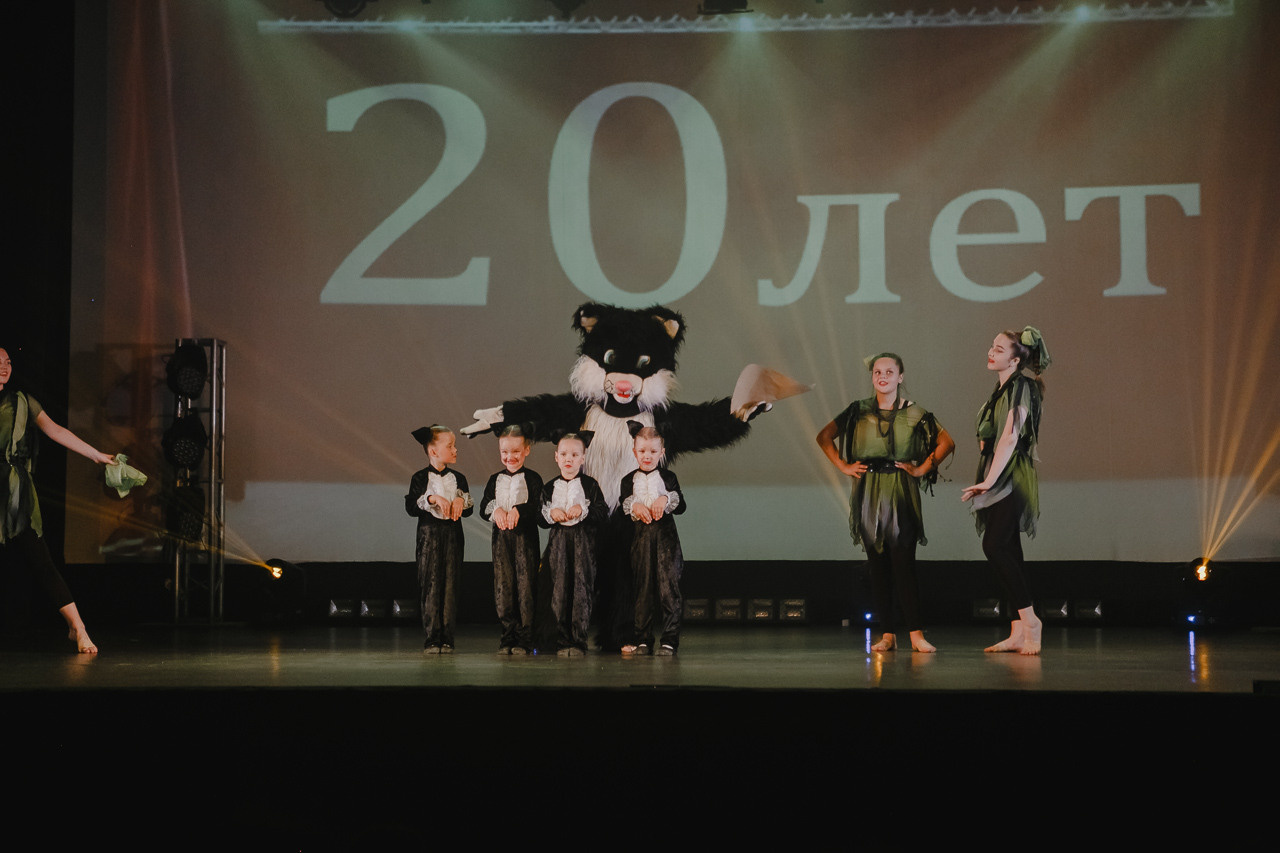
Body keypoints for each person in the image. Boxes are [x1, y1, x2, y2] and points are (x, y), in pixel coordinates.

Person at [817, 352, 954, 653]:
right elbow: (824, 436)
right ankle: (888, 634)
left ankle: (916, 634)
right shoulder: (859, 410)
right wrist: (843, 466)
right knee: (877, 565)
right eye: (878, 372)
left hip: (900, 488)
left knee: (903, 562)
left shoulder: (915, 412)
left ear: (900, 377)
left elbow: (946, 442)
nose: (882, 377)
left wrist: (920, 469)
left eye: (889, 372)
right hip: (868, 490)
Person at [0, 346, 113, 654]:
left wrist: (95, 454)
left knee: (41, 560)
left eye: (7, 362)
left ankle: (78, 627)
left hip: (13, 490)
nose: (4, 367)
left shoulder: (21, 401)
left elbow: (55, 430)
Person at [960, 328, 1050, 655]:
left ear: (1014, 359)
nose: (991, 351)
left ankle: (1031, 622)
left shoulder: (1021, 386)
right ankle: (1017, 630)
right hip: (997, 472)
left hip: (1012, 475)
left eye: (999, 349)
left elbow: (1010, 438)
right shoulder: (999, 390)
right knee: (1010, 549)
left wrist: (988, 481)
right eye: (991, 346)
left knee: (995, 545)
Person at [619, 423, 686, 656]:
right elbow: (623, 508)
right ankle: (643, 639)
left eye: (653, 451)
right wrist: (634, 505)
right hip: (641, 542)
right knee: (642, 590)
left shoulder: (668, 476)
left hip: (666, 542)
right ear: (634, 451)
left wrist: (665, 499)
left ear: (662, 452)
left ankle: (669, 640)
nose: (647, 456)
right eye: (642, 451)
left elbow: (682, 506)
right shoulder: (628, 480)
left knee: (669, 590)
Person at [538, 431, 607, 656]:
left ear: (582, 458)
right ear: (556, 457)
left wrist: (583, 510)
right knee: (558, 593)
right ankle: (560, 640)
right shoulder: (549, 487)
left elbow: (601, 512)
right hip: (558, 548)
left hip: (583, 547)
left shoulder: (590, 485)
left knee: (581, 592)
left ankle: (578, 641)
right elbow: (540, 519)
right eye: (564, 454)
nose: (569, 459)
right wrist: (551, 511)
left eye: (574, 454)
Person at [405, 425, 472, 653]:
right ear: (433, 452)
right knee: (430, 585)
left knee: (451, 586)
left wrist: (461, 501)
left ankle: (447, 637)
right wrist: (432, 498)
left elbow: (469, 508)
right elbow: (411, 506)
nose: (455, 450)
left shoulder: (459, 478)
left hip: (453, 537)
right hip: (429, 538)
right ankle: (432, 637)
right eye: (450, 446)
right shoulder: (420, 478)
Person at [479, 424, 543, 656]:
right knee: (503, 589)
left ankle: (525, 639)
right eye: (505, 452)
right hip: (501, 544)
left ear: (526, 450)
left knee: (526, 590)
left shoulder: (533, 478)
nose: (510, 457)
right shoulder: (494, 479)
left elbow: (539, 509)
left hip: (525, 542)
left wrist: (521, 510)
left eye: (515, 451)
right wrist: (495, 510)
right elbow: (484, 506)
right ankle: (508, 636)